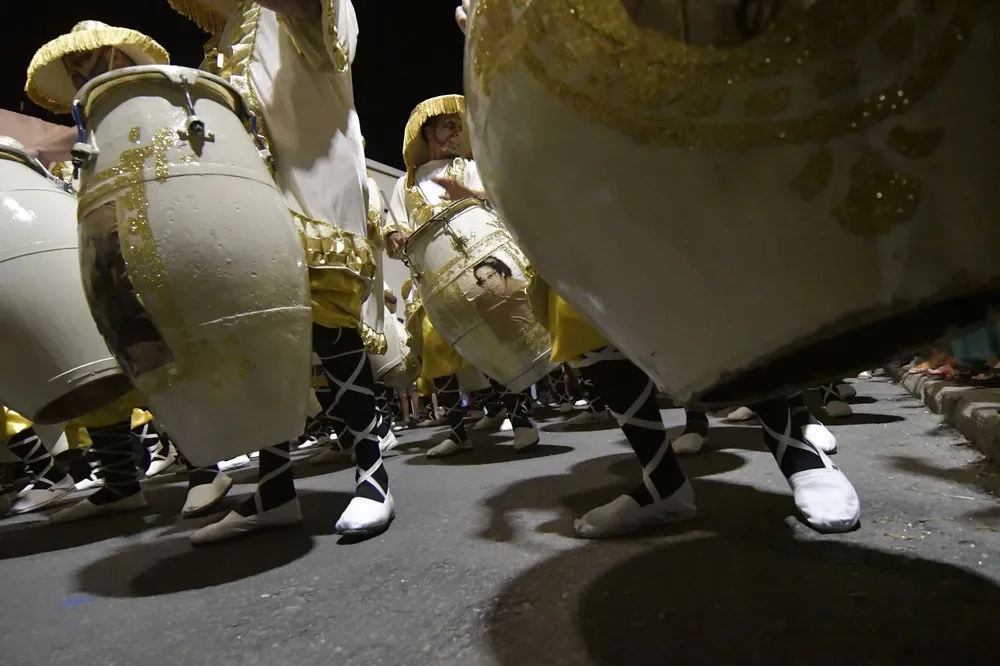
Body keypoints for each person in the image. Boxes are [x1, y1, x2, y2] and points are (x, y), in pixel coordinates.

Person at [453, 5, 859, 537]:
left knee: (704, 280)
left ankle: (796, 451)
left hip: (632, 73)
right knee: (583, 317)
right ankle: (662, 481)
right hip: (552, 132)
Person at [169, 0, 395, 542]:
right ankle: (274, 491)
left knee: (329, 319)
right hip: (247, 194)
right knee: (260, 335)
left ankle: (373, 474)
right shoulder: (224, 39)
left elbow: (327, 28)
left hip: (309, 180)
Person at [23, 21, 234, 523]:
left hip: (152, 234)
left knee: (161, 349)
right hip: (104, 242)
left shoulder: (149, 103)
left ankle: (205, 466)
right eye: (72, 69)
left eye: (85, 63)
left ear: (117, 57)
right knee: (100, 353)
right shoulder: (87, 129)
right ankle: (120, 480)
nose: (78, 75)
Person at [385, 95, 541, 457]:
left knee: (496, 339)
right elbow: (395, 233)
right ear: (427, 131)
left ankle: (520, 419)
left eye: (459, 126)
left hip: (479, 267)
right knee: (436, 349)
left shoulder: (466, 167)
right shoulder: (404, 185)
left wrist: (468, 194)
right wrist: (394, 236)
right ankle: (456, 431)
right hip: (431, 278)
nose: (456, 132)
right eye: (448, 126)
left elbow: (496, 200)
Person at [470, 256, 534, 344]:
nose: (489, 284)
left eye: (490, 276)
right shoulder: (500, 300)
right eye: (483, 281)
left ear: (502, 272)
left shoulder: (522, 291)